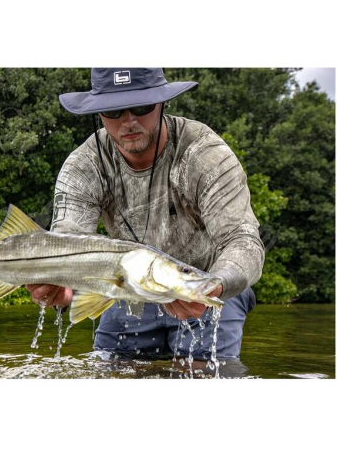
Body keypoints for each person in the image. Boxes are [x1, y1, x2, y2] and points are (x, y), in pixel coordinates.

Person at [26, 68, 264, 360]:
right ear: (99, 112)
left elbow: (244, 241)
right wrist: (64, 286)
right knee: (108, 370)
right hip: (129, 289)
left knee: (208, 374)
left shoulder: (205, 153)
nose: (129, 121)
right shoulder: (83, 165)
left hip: (205, 285)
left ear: (161, 103)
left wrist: (213, 285)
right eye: (113, 110)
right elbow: (68, 243)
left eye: (141, 106)